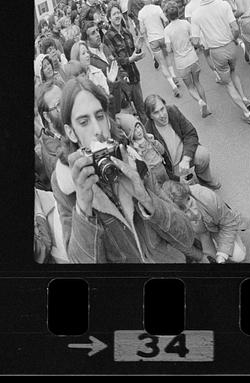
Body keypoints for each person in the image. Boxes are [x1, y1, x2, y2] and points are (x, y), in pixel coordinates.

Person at [49, 77, 195, 263]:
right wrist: (83, 207)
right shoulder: (66, 185)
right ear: (71, 132)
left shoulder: (131, 159)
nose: (97, 130)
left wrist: (147, 200)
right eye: (84, 122)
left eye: (100, 116)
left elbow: (186, 236)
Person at [190, 0, 250, 124]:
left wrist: (202, 44)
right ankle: (244, 97)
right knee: (234, 72)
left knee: (228, 83)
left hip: (216, 51)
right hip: (230, 45)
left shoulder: (196, 14)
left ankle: (246, 113)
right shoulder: (224, 5)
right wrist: (234, 39)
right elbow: (235, 28)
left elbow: (194, 41)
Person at [161, 179, 248, 263]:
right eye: (186, 212)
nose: (194, 212)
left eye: (191, 203)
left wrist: (222, 254)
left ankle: (220, 241)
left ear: (188, 194)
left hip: (218, 225)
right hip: (200, 232)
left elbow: (228, 224)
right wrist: (204, 256)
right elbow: (183, 243)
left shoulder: (207, 197)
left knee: (239, 255)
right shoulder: (172, 220)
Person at [163, 1, 211, 117]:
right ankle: (207, 106)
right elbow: (195, 37)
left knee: (190, 86)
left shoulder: (167, 30)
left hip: (181, 63)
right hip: (193, 58)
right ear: (178, 12)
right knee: (198, 82)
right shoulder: (185, 24)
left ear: (167, 15)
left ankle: (200, 101)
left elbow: (168, 50)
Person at [137, 0, 181, 97]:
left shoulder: (141, 13)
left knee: (162, 63)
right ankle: (174, 75)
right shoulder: (157, 8)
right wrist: (164, 27)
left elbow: (142, 30)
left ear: (142, 0)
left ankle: (173, 86)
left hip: (153, 40)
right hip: (162, 35)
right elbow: (166, 20)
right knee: (167, 57)